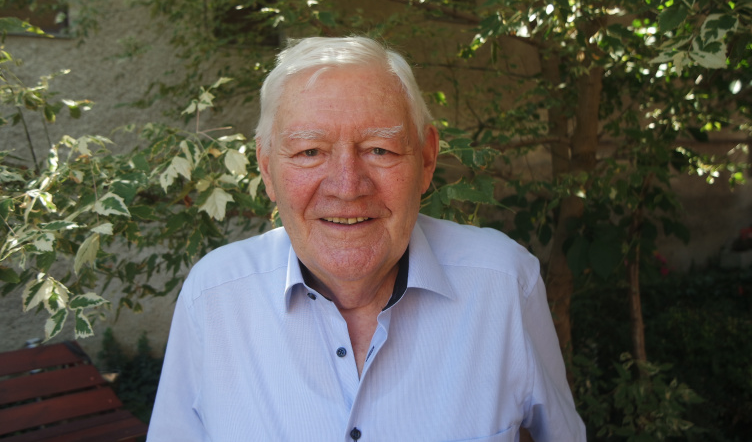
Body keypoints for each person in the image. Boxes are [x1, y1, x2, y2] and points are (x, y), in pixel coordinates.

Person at [147, 36, 586, 441]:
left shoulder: (504, 283)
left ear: (426, 159)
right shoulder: (213, 297)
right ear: (266, 168)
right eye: (309, 152)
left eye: (379, 149)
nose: (347, 186)